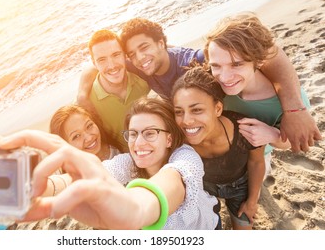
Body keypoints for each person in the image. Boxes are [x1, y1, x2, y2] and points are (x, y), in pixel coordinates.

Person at [0, 98, 220, 230]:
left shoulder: (185, 159)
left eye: (150, 133)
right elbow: (80, 179)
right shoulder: (125, 163)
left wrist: (135, 209)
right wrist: (36, 185)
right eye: (133, 134)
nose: (139, 142)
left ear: (169, 138)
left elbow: (162, 189)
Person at [78, 17, 321, 153]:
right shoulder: (140, 63)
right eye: (132, 53)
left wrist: (294, 108)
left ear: (162, 44)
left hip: (245, 134)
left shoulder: (195, 61)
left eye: (144, 48)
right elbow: (98, 65)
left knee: (256, 166)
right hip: (215, 128)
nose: (140, 58)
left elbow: (270, 52)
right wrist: (82, 96)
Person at [203, 12, 314, 175]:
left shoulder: (288, 101)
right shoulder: (215, 85)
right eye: (216, 66)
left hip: (258, 159)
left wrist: (272, 135)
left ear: (259, 60)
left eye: (236, 64)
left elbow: (289, 141)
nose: (225, 77)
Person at [172, 67, 266, 230]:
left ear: (217, 109)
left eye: (197, 110)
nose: (186, 121)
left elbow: (257, 163)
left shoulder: (246, 130)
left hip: (240, 187)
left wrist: (251, 202)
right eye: (179, 112)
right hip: (204, 189)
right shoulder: (179, 141)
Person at [80, 29, 150, 152]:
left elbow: (163, 56)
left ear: (125, 55)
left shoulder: (143, 80)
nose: (112, 66)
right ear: (94, 63)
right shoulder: (86, 103)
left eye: (116, 55)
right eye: (102, 60)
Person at [50, 104, 119, 161]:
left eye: (89, 126)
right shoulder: (77, 175)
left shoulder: (120, 144)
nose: (89, 138)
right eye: (76, 136)